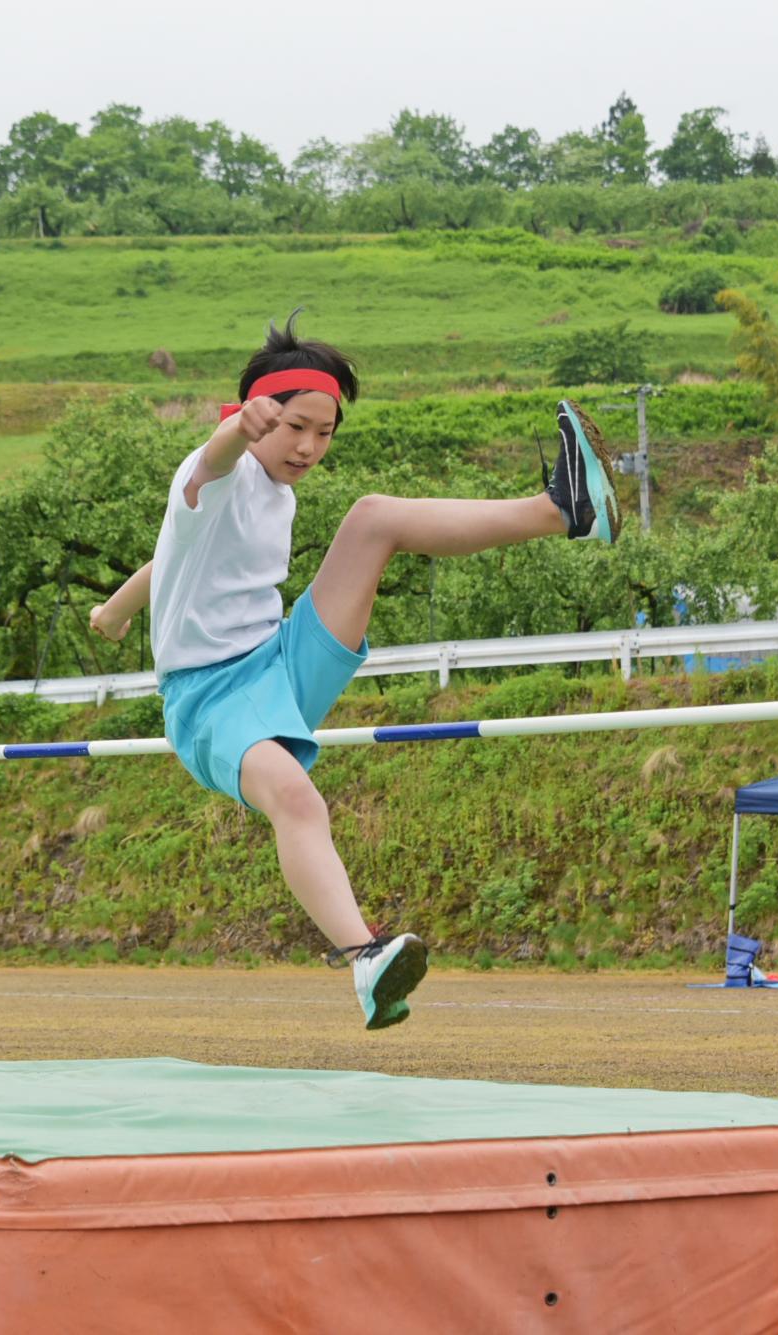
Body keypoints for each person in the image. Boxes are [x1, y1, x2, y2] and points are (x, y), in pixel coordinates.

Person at [88, 313, 619, 1029]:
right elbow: (209, 466)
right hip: (208, 701)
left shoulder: (278, 494)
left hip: (279, 660)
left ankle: (564, 511)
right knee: (299, 800)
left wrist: (114, 612)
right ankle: (365, 957)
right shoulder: (214, 470)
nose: (308, 447)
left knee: (373, 519)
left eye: (324, 432)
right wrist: (231, 433)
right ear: (257, 416)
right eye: (293, 427)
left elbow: (170, 555)